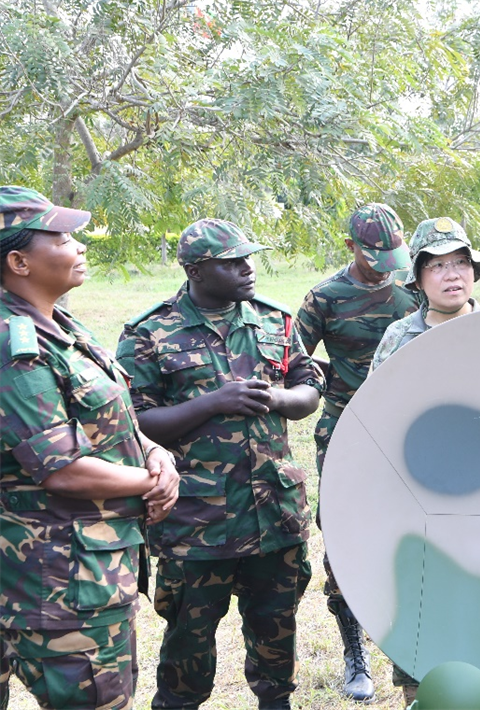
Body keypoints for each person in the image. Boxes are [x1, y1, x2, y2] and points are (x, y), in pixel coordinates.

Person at [116, 219, 323, 710]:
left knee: (276, 636)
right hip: (197, 521)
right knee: (188, 646)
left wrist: (277, 398)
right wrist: (214, 402)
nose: (248, 269)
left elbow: (310, 388)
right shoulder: (150, 333)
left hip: (274, 514)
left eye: (248, 258)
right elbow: (134, 423)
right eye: (232, 262)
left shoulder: (274, 320)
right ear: (195, 271)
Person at [0, 186, 178, 710]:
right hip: (56, 582)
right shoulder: (15, 346)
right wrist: (154, 481)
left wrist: (155, 452)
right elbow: (63, 469)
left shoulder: (59, 324)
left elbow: (107, 419)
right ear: (18, 262)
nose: (79, 246)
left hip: (84, 570)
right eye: (61, 238)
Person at [369, 216, 480, 707]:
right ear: (418, 280)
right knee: (422, 612)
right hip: (421, 503)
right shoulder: (399, 338)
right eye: (437, 266)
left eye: (460, 262)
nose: (452, 274)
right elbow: (376, 421)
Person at [296, 202, 418, 701]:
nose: (386, 266)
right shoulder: (325, 298)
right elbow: (293, 360)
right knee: (345, 537)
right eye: (374, 256)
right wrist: (321, 381)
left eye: (393, 255)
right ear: (350, 247)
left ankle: (415, 639)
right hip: (345, 430)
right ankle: (355, 652)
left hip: (408, 432)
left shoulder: (413, 290)